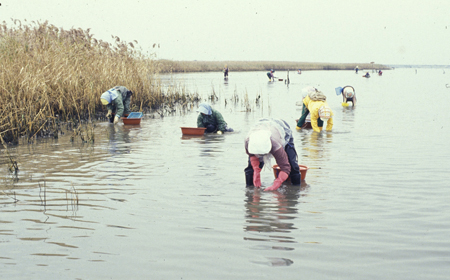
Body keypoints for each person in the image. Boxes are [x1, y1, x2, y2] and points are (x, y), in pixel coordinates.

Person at [244, 118, 301, 191]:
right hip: (261, 125)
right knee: (251, 169)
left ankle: (295, 191)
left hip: (281, 129)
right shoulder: (248, 141)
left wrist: (277, 183)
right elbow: (252, 155)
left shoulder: (276, 145)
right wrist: (256, 170)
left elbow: (285, 167)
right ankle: (250, 191)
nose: (261, 156)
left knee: (292, 165)